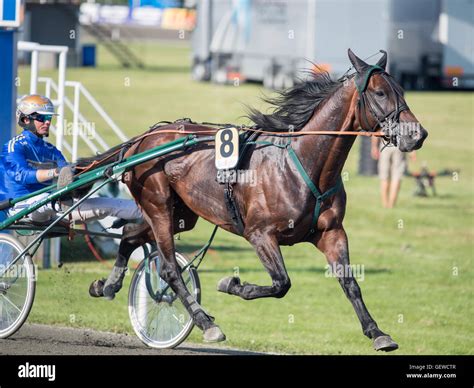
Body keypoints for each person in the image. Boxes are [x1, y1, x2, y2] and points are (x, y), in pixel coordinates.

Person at [0, 94, 141, 224]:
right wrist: (55, 172)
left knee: (113, 204)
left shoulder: (52, 150)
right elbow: (21, 175)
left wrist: (105, 173)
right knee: (51, 200)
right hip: (20, 207)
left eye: (49, 118)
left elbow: (69, 175)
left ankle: (147, 215)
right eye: (42, 118)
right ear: (25, 119)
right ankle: (60, 203)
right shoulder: (14, 146)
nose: (47, 122)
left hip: (54, 207)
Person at [371, 136, 416, 208]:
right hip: (399, 144)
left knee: (384, 176)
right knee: (396, 176)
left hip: (385, 144)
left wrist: (374, 146)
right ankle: (391, 205)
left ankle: (385, 205)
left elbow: (375, 129)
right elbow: (409, 129)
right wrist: (412, 149)